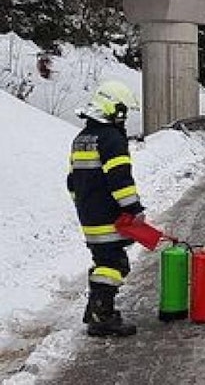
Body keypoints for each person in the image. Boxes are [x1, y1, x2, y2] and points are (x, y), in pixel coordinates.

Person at [66, 80, 143, 337]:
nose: (124, 117)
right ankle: (102, 316)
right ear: (111, 108)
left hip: (88, 214)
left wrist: (84, 205)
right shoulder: (111, 139)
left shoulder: (81, 139)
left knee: (103, 260)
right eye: (123, 111)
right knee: (113, 263)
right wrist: (134, 209)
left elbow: (71, 181)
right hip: (107, 215)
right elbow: (120, 179)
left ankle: (95, 309)